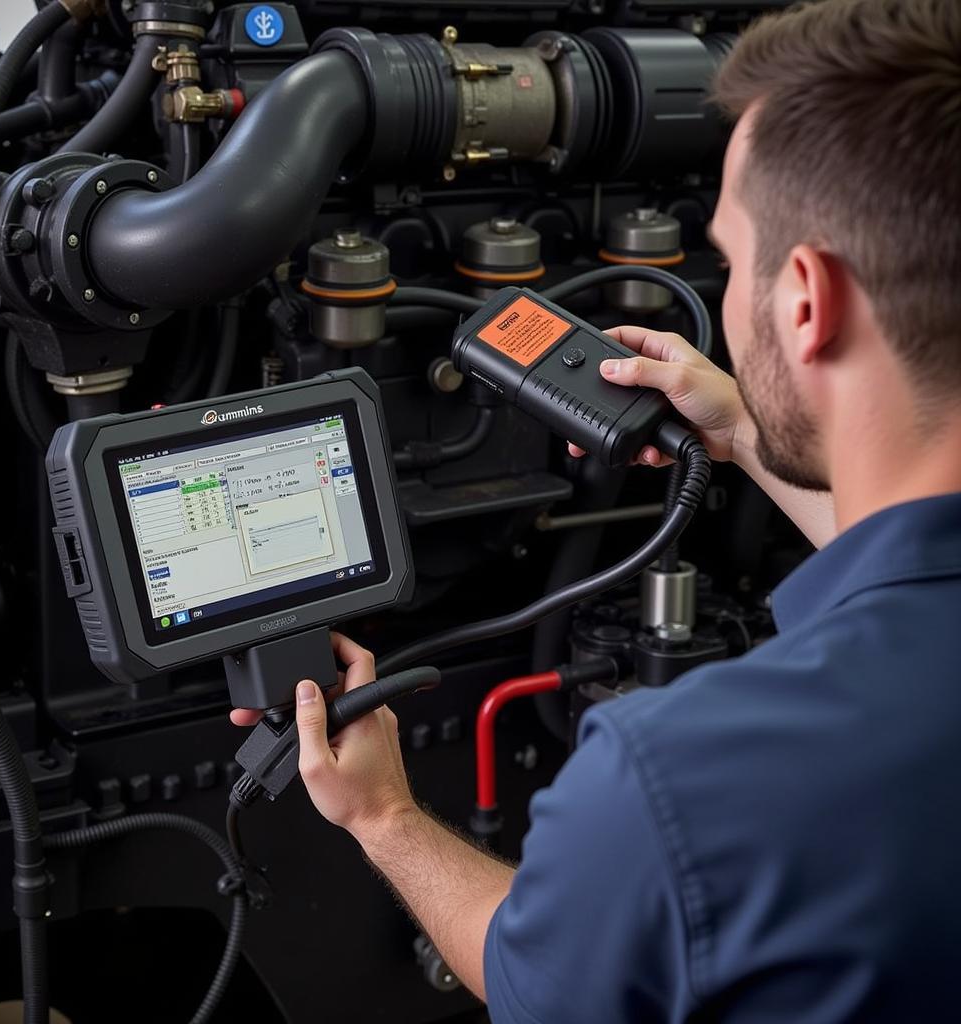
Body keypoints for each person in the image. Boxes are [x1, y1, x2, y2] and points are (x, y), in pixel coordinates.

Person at [233, 0, 961, 1018]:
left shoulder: (674, 788)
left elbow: (535, 980)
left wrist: (385, 815)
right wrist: (745, 431)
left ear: (804, 301)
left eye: (732, 260)